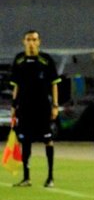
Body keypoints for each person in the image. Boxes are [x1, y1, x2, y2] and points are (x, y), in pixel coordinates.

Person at [9, 30, 61, 188]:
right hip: (24, 107)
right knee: (25, 141)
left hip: (42, 107)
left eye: (34, 39)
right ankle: (26, 178)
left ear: (39, 42)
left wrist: (55, 106)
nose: (31, 42)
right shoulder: (19, 60)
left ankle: (50, 177)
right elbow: (16, 86)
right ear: (23, 41)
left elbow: (54, 84)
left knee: (48, 140)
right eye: (28, 39)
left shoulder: (46, 60)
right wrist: (13, 107)